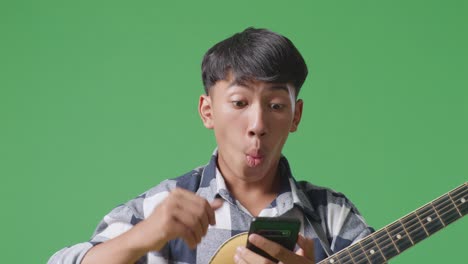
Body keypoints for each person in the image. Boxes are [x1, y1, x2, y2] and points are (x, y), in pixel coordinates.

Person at [48, 27, 373, 264]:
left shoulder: (333, 216)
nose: (257, 125)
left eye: (275, 106)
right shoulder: (160, 209)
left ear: (295, 116)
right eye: (239, 102)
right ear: (208, 111)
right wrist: (143, 236)